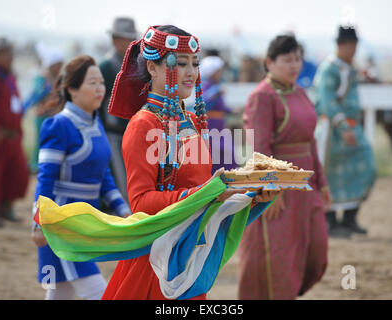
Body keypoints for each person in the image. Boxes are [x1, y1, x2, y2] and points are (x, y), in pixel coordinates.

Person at [100, 25, 278, 300]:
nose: (191, 72)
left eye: (195, 64)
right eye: (180, 64)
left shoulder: (193, 122)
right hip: (155, 260)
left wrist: (254, 196)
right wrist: (208, 193)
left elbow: (206, 194)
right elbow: (141, 203)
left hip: (189, 255)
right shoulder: (143, 125)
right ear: (153, 67)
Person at [239, 34, 331, 300]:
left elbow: (310, 141)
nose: (294, 65)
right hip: (277, 192)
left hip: (306, 187)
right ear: (269, 62)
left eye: (298, 58)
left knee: (316, 249)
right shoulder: (262, 97)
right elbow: (258, 147)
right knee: (278, 258)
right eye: (287, 59)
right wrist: (270, 187)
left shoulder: (299, 92)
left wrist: (322, 182)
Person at [31, 55, 131, 299]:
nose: (100, 89)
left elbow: (103, 176)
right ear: (72, 89)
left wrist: (124, 210)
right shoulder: (58, 125)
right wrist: (38, 224)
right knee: (99, 293)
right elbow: (46, 180)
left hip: (84, 224)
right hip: (62, 226)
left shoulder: (96, 124)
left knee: (60, 292)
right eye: (92, 83)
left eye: (101, 83)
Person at [313, 25, 376, 237]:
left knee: (365, 167)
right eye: (351, 45)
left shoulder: (348, 67)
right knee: (329, 174)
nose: (354, 50)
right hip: (334, 130)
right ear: (342, 45)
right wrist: (341, 124)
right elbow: (327, 100)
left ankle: (349, 218)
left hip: (351, 126)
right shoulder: (330, 69)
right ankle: (331, 221)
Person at [99, 17, 138, 201]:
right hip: (113, 134)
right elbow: (98, 104)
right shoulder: (106, 67)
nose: (131, 43)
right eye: (126, 39)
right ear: (114, 39)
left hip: (135, 134)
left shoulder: (137, 65)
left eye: (132, 39)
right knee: (121, 184)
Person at [0, 37, 29, 227]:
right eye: (6, 53)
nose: (10, 57)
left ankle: (6, 210)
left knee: (17, 174)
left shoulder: (10, 77)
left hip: (13, 135)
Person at [23, 43, 64, 173]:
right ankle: (35, 167)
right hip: (42, 116)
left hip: (55, 116)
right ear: (51, 64)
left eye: (60, 65)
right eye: (57, 64)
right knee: (39, 143)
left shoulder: (60, 79)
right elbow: (34, 96)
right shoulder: (42, 78)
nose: (59, 67)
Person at [200, 55, 236, 174]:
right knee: (216, 155)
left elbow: (221, 108)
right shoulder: (205, 86)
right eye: (219, 71)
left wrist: (231, 110)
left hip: (220, 129)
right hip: (211, 128)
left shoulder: (216, 87)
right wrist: (215, 93)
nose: (221, 74)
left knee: (227, 155)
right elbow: (203, 103)